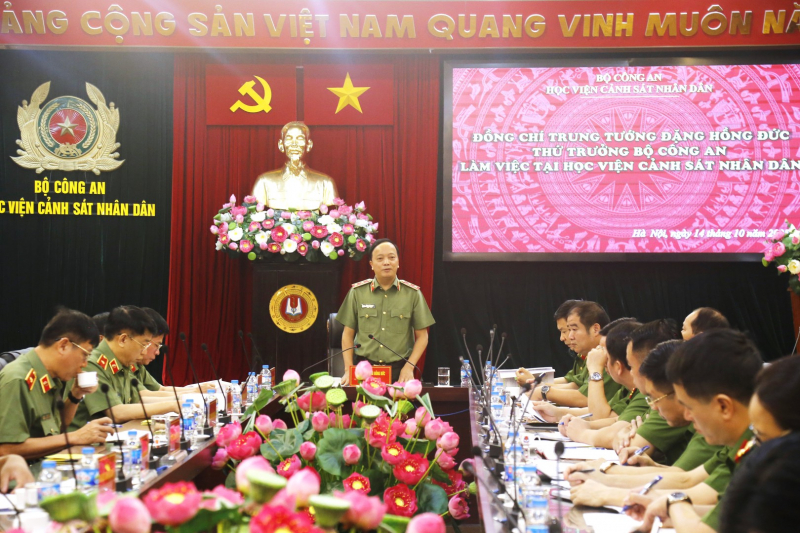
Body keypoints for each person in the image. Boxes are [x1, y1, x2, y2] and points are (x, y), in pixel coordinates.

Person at [624, 329, 763, 532]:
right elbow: (722, 511)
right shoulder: (744, 441)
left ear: (723, 406)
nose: (688, 417)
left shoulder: (763, 450)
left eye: (690, 407)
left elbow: (701, 523)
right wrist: (672, 507)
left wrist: (675, 504)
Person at [567, 340, 724, 507]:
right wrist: (652, 466)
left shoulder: (724, 429)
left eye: (633, 366)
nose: (653, 406)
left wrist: (607, 480)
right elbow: (690, 480)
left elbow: (684, 481)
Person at [0, 309, 115, 460]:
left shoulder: (50, 376)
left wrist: (76, 395)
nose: (85, 364)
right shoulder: (19, 379)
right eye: (85, 355)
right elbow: (7, 449)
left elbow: (56, 428)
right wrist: (74, 437)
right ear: (63, 346)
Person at [336, 239, 435, 384]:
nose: (386, 262)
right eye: (380, 259)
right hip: (363, 369)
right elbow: (347, 334)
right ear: (371, 264)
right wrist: (348, 369)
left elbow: (423, 336)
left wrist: (409, 366)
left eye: (391, 257)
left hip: (399, 371)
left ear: (398, 262)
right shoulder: (357, 292)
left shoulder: (412, 294)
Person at [69, 306, 182, 428]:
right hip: (86, 444)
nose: (143, 352)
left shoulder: (123, 362)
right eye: (143, 345)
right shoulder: (92, 364)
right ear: (123, 339)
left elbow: (138, 400)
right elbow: (116, 413)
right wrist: (171, 405)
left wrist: (180, 402)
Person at [556, 320, 650, 447]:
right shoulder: (629, 387)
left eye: (604, 350)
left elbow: (599, 416)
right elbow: (614, 419)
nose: (600, 355)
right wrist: (566, 418)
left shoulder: (648, 391)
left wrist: (595, 369)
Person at [531, 319, 642, 423]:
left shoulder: (644, 393)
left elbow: (598, 416)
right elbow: (606, 413)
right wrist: (557, 413)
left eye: (573, 329)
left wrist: (595, 370)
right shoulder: (626, 389)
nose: (568, 336)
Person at [613, 319, 689, 464]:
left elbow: (684, 479)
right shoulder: (660, 397)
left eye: (631, 366)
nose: (631, 373)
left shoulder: (670, 399)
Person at [528, 301, 612, 406]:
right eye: (569, 330)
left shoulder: (608, 355)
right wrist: (539, 387)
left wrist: (543, 391)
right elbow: (577, 385)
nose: (569, 337)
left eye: (573, 329)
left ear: (595, 329)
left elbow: (586, 398)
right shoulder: (594, 354)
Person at [251, 121, 339, 210]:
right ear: (281, 145)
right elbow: (254, 214)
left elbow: (333, 216)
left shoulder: (325, 183)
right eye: (289, 138)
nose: (294, 144)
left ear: (309, 145)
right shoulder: (264, 182)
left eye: (300, 139)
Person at [515, 299, 581, 386]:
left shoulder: (600, 355)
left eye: (565, 331)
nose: (562, 338)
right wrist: (534, 381)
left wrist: (538, 385)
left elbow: (581, 393)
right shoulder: (582, 355)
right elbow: (571, 380)